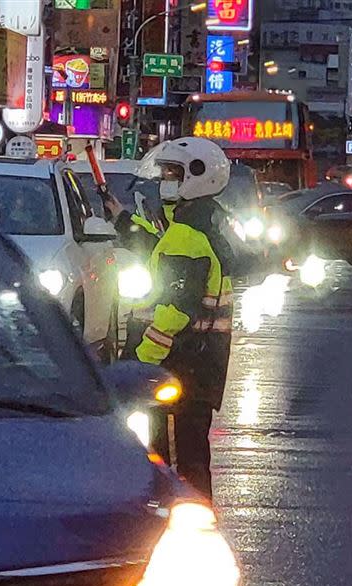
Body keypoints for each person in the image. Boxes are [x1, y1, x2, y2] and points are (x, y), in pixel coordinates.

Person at [121, 137, 236, 498]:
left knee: (168, 457)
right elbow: (156, 241)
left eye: (173, 173)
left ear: (197, 176)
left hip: (180, 363)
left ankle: (184, 525)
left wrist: (140, 360)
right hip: (200, 362)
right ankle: (197, 522)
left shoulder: (188, 236)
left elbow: (174, 310)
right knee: (191, 456)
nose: (165, 181)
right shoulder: (201, 224)